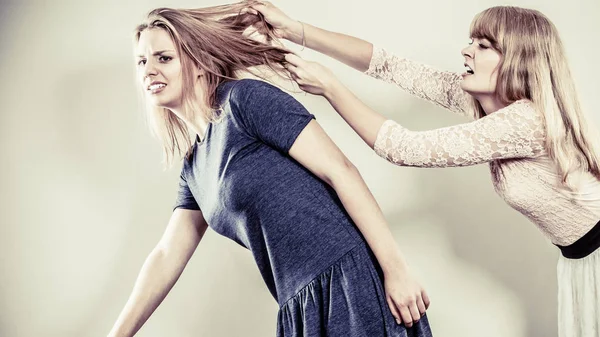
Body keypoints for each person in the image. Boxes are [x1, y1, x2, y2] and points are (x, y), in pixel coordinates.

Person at [247, 2, 600, 337]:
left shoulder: (525, 121)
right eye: (470, 41)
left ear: (520, 62)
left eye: (485, 45)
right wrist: (296, 31)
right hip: (579, 261)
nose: (467, 51)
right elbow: (387, 66)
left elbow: (404, 148)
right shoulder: (482, 103)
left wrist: (330, 88)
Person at [107, 3, 434, 337]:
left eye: (164, 58)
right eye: (142, 61)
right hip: (299, 308)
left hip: (349, 281)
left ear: (198, 62)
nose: (149, 69)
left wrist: (396, 270)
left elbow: (341, 171)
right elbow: (165, 256)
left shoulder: (244, 101)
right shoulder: (195, 167)